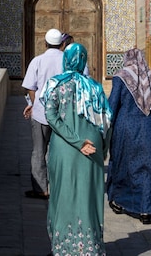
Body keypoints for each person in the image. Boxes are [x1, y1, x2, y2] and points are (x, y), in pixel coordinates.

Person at [41, 43, 112, 255]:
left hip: (65, 150)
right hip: (93, 150)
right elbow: (107, 122)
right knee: (88, 198)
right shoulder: (95, 88)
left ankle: (63, 248)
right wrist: (103, 150)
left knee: (63, 197)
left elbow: (51, 116)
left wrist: (76, 141)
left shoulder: (56, 84)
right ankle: (90, 249)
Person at [106, 47, 151, 224]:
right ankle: (146, 210)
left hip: (124, 128)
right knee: (147, 169)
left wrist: (106, 130)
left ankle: (119, 201)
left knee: (122, 164)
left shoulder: (120, 77)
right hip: (147, 128)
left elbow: (112, 105)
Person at [21, 28, 66, 199]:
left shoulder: (37, 61)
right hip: (63, 114)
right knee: (62, 151)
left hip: (41, 113)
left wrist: (34, 103)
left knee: (39, 151)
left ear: (45, 43)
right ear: (62, 44)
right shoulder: (68, 60)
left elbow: (30, 87)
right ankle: (61, 187)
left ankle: (41, 189)